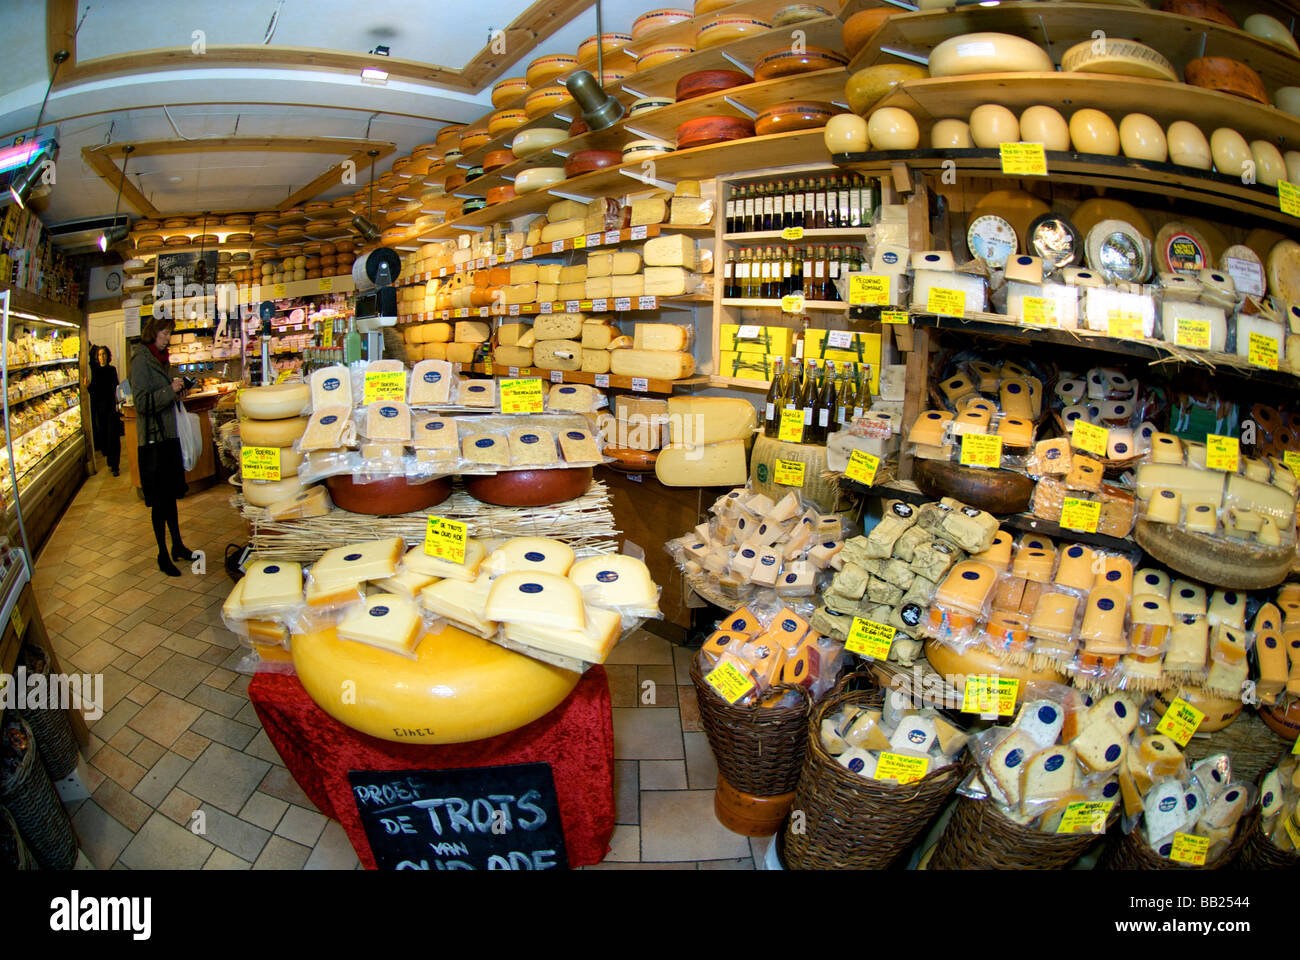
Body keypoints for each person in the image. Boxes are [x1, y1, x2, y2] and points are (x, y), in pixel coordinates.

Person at [130, 315, 196, 577]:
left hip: (168, 436)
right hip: (153, 440)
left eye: (170, 333)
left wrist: (178, 391)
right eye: (165, 333)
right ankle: (162, 553)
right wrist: (169, 390)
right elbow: (141, 403)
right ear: (153, 333)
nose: (169, 338)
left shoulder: (161, 358)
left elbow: (163, 395)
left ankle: (178, 545)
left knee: (170, 496)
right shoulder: (141, 361)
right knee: (159, 501)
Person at [87, 344, 122, 476]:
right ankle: (110, 459)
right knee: (104, 436)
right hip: (100, 409)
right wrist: (88, 387)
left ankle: (115, 465)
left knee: (113, 436)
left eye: (104, 354)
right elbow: (94, 392)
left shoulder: (112, 370)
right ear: (97, 357)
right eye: (100, 355)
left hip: (111, 408)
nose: (102, 357)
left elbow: (116, 387)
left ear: (108, 356)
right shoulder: (95, 372)